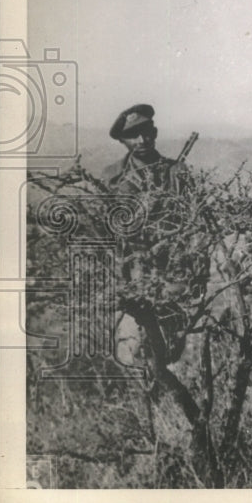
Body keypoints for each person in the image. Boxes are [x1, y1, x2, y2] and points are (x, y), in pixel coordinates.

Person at [102, 104, 197, 368]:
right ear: (123, 140)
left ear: (154, 132)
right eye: (134, 135)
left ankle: (168, 407)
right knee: (132, 356)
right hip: (130, 279)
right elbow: (106, 233)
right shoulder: (111, 178)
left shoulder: (175, 173)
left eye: (146, 132)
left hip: (169, 280)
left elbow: (191, 227)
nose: (142, 140)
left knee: (169, 357)